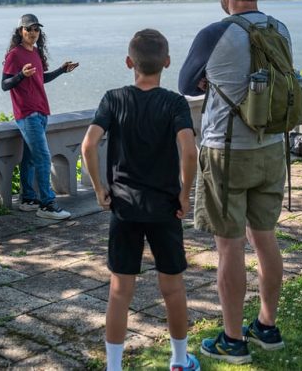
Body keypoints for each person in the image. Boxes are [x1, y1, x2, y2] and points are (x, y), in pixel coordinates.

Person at [178, 0, 289, 364]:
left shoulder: (215, 32)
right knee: (265, 238)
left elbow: (185, 83)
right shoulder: (280, 29)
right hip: (272, 148)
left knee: (229, 247)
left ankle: (231, 338)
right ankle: (266, 326)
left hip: (226, 153)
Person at [82, 29, 200, 371]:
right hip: (165, 207)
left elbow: (89, 145)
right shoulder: (174, 102)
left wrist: (99, 188)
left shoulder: (113, 99)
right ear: (166, 62)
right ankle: (179, 360)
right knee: (173, 289)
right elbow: (189, 152)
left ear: (129, 62)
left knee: (120, 292)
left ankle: (114, 366)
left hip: (124, 207)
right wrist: (185, 193)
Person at [1, 13, 78, 220]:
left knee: (30, 159)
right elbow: (5, 85)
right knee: (43, 157)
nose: (33, 33)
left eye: (36, 29)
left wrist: (62, 71)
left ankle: (27, 199)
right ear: (20, 31)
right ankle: (47, 204)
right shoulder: (14, 55)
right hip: (27, 114)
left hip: (41, 111)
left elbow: (40, 78)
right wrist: (20, 75)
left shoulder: (35, 53)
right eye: (29, 29)